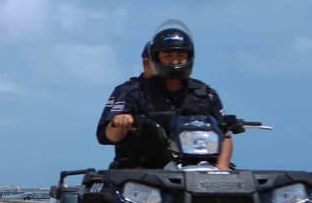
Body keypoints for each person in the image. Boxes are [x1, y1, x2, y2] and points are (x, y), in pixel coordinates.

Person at [96, 22, 233, 170]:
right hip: (142, 174)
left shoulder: (204, 93)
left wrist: (221, 170)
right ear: (155, 58)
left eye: (181, 55)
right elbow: (108, 136)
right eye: (168, 56)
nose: (175, 61)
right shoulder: (132, 92)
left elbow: (225, 134)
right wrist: (119, 123)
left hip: (199, 172)